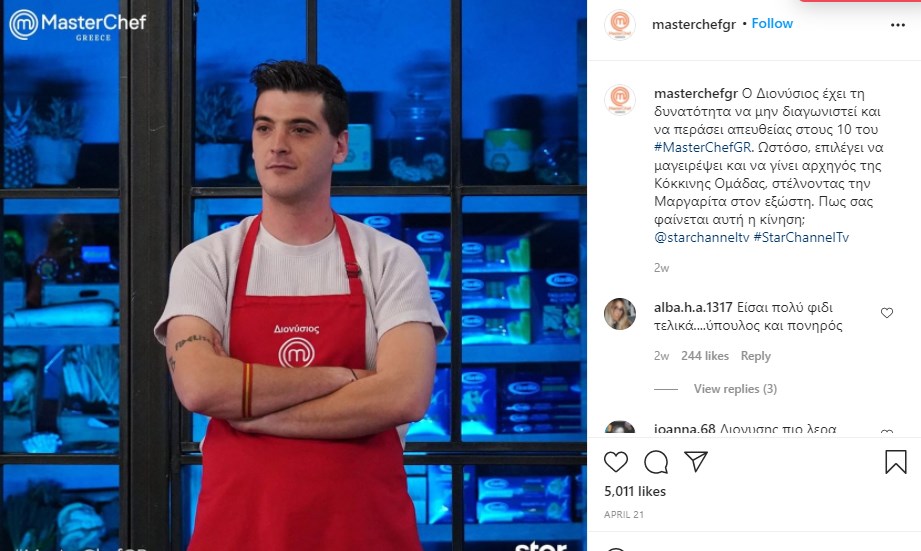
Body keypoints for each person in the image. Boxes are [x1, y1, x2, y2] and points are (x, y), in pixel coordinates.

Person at [154, 60, 446, 549]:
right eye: (264, 127)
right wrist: (345, 378)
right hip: (242, 531)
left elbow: (404, 396)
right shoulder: (207, 261)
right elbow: (202, 387)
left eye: (301, 129)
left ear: (340, 146)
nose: (278, 144)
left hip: (363, 532)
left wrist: (251, 411)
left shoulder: (390, 260)